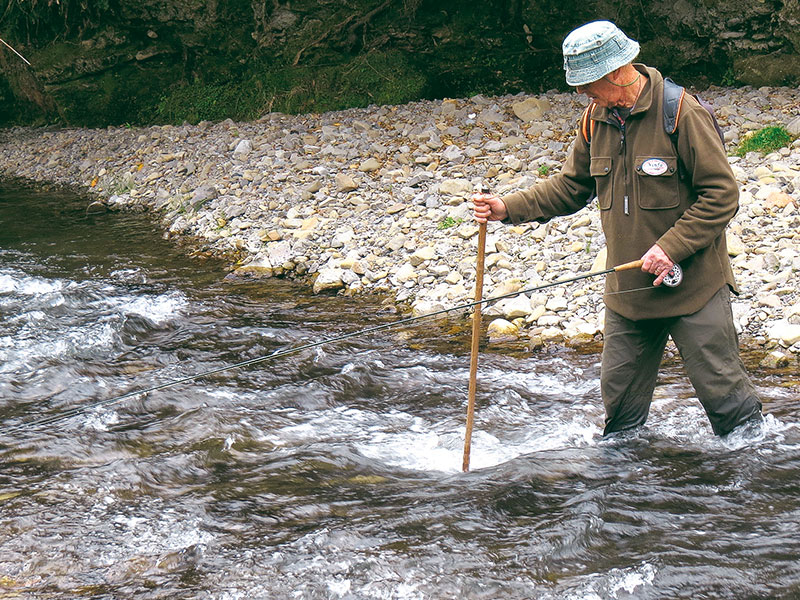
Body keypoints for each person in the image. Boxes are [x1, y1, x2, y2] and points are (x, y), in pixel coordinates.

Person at [472, 20, 762, 437]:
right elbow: (572, 186)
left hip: (695, 287)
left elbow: (721, 195)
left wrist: (671, 248)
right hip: (628, 297)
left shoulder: (682, 112)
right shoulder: (596, 118)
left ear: (614, 72)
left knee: (731, 409)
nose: (581, 93)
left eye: (586, 83)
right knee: (620, 422)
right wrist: (507, 208)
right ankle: (622, 490)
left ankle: (755, 482)